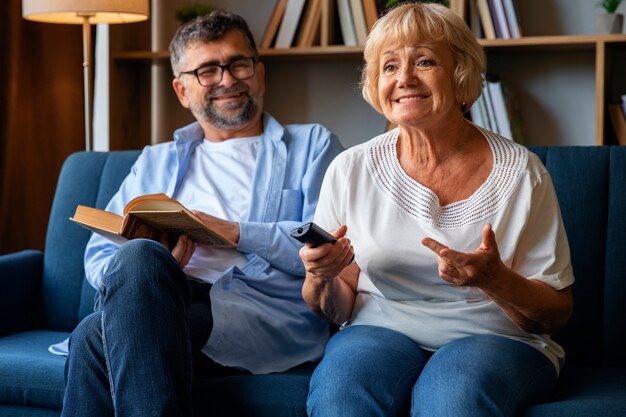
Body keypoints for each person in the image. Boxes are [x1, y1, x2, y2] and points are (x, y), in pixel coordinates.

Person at [60, 10, 343, 417]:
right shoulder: (155, 160)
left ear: (259, 73)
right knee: (141, 259)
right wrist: (150, 275)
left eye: (238, 64)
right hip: (163, 294)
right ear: (181, 90)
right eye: (207, 70)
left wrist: (234, 231)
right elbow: (99, 255)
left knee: (92, 336)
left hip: (255, 310)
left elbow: (328, 242)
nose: (227, 79)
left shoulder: (311, 145)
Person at [298, 3, 574, 416]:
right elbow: (336, 307)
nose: (404, 78)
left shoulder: (522, 172)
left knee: (452, 395)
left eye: (424, 61)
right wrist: (321, 275)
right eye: (389, 67)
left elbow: (554, 315)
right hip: (378, 330)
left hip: (496, 339)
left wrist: (495, 280)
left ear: (460, 73)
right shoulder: (350, 169)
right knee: (342, 389)